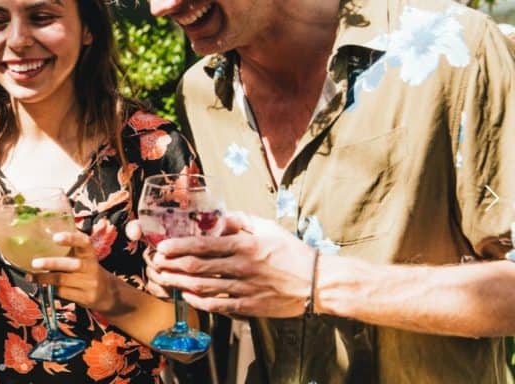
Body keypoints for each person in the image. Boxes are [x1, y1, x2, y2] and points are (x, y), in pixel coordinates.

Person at [137, 0, 515, 382]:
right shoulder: (199, 92)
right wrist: (198, 275)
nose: (160, 7)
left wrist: (320, 282)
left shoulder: (456, 48)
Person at [0, 0, 204, 382]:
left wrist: (107, 293)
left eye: (42, 17)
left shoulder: (151, 150)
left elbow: (192, 335)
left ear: (88, 29)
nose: (17, 40)